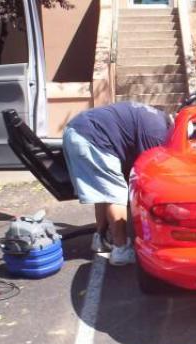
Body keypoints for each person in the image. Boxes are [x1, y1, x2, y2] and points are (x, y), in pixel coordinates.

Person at [63, 102, 171, 265]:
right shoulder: (158, 133)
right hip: (93, 138)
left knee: (103, 192)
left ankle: (100, 239)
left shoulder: (156, 118)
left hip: (77, 131)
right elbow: (150, 172)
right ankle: (121, 250)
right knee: (117, 194)